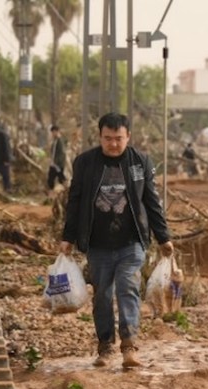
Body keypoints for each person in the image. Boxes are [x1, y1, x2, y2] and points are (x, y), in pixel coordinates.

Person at [59, 112, 173, 370]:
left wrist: (163, 236)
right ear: (99, 137)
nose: (113, 144)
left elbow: (151, 202)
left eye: (118, 138)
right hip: (98, 244)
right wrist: (68, 237)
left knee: (127, 287)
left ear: (128, 136)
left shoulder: (140, 162)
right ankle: (105, 346)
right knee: (102, 296)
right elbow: (74, 202)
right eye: (107, 138)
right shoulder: (85, 163)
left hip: (131, 242)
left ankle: (129, 346)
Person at [47, 125, 67, 190]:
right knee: (56, 178)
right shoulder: (55, 141)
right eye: (52, 132)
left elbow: (62, 153)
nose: (53, 133)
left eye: (54, 132)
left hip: (58, 164)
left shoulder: (59, 141)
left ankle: (66, 189)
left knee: (58, 178)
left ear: (57, 131)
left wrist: (56, 162)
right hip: (54, 164)